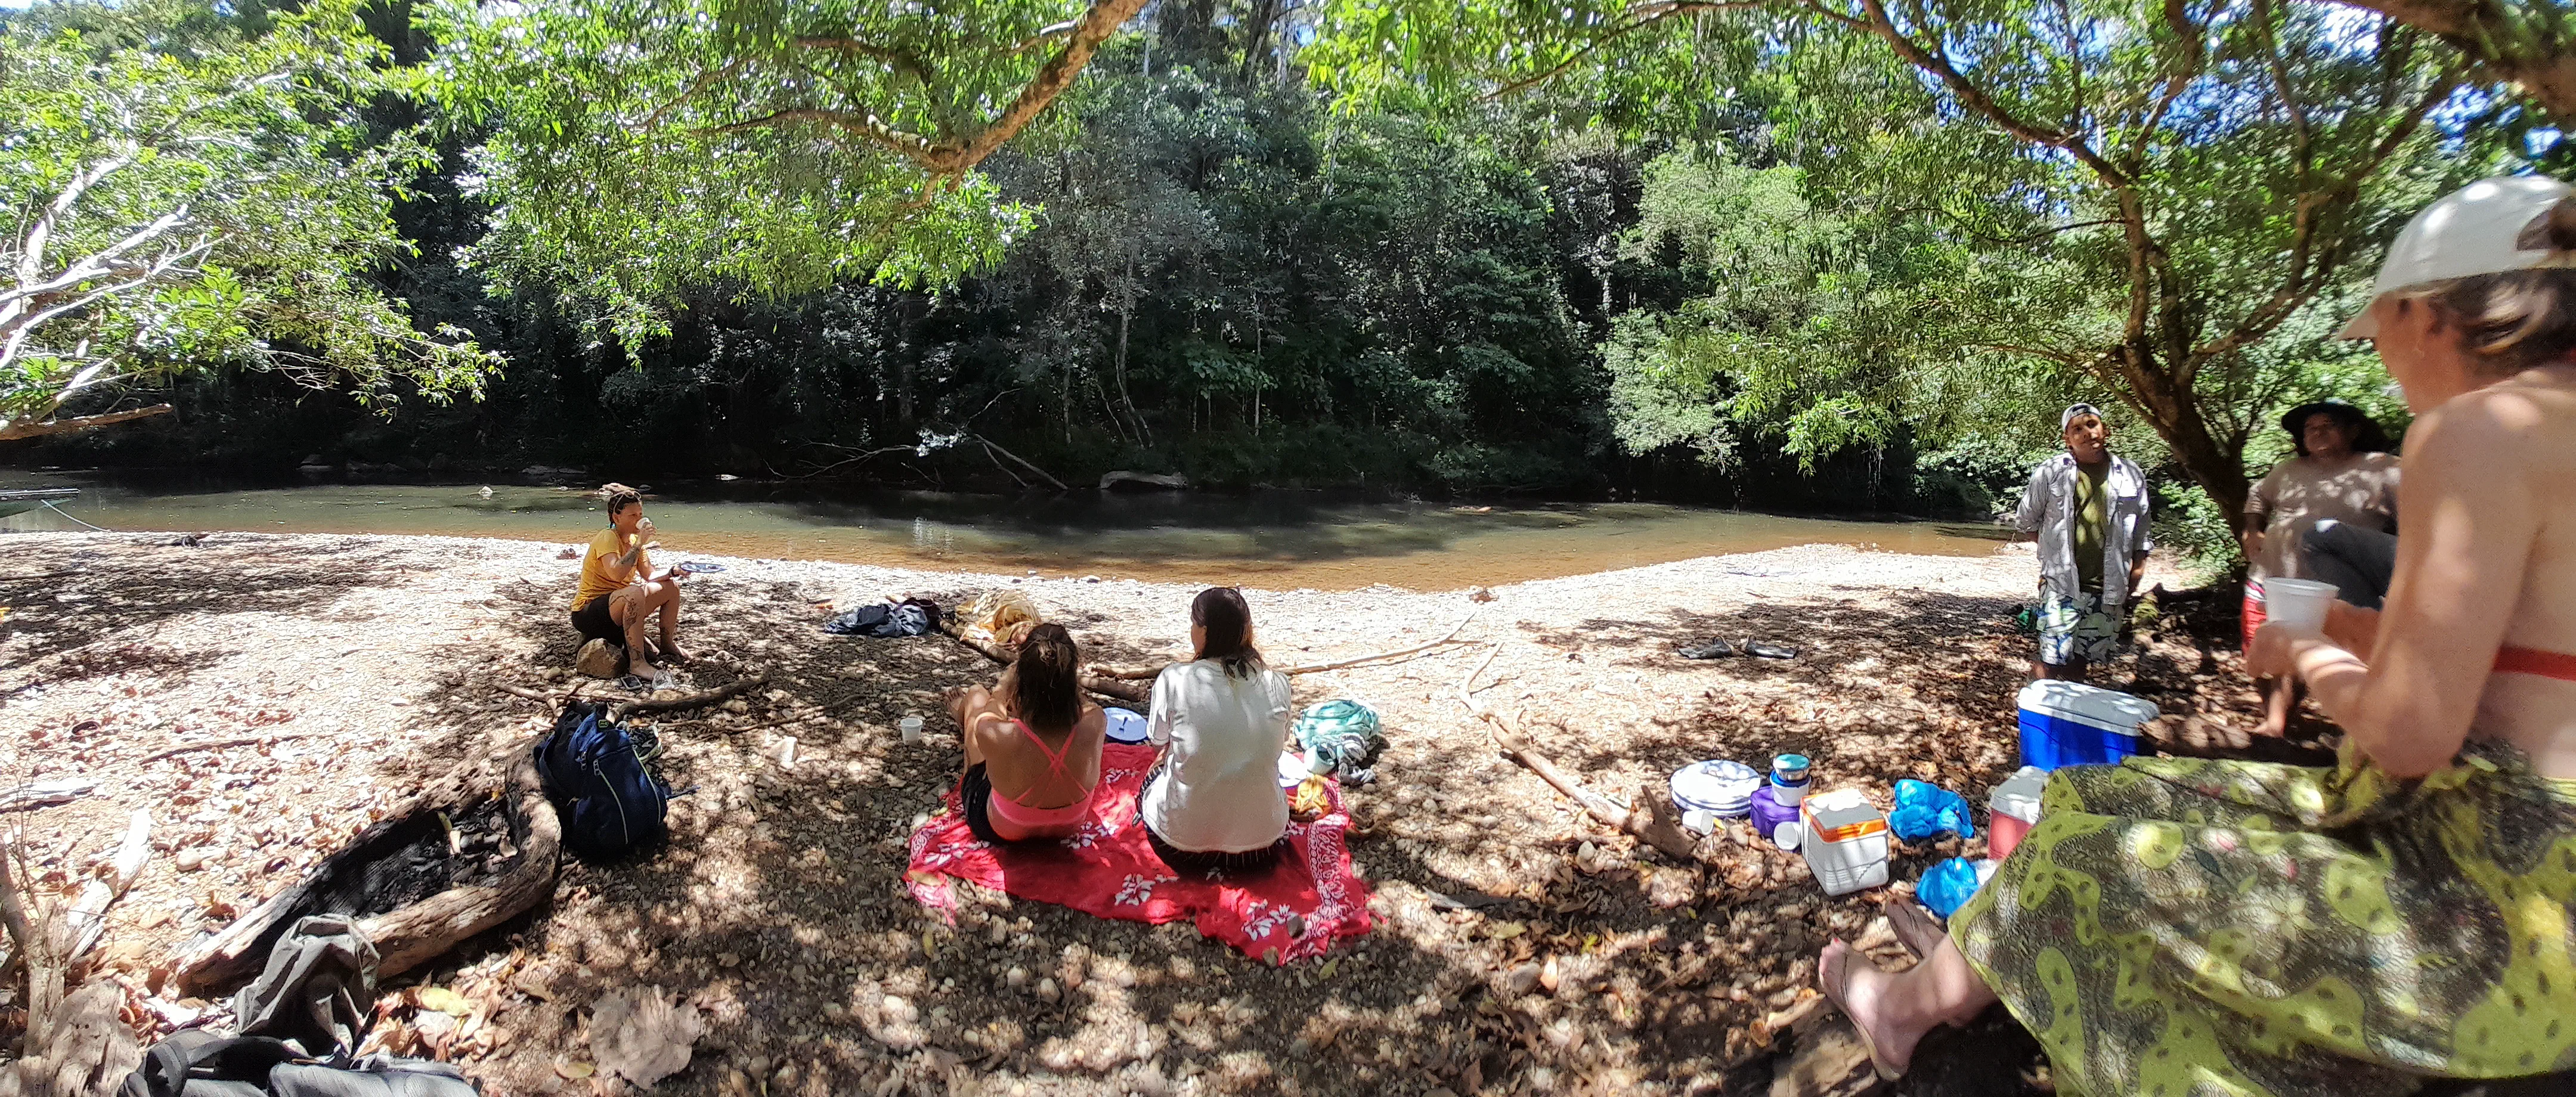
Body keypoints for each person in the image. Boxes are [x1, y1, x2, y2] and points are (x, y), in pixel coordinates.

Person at [1816, 175, 2576, 1096]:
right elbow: (2509, 655)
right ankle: (1971, 971)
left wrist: (2305, 650)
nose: (2378, 356)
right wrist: (2341, 620)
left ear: (2432, 313)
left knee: (2085, 844)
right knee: (2092, 786)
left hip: (2498, 893)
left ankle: (1909, 1012)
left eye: (2380, 326)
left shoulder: (2478, 429)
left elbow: (2413, 734)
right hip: (2512, 868)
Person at [2240, 402, 2401, 736]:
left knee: (2352, 647)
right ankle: (2274, 724)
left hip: (2340, 583)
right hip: (2273, 576)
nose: (2317, 432)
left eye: (2327, 425)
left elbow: (2417, 517)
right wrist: (2252, 529)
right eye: (2310, 428)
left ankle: (2368, 729)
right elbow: (2258, 497)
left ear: (2354, 430)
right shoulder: (2287, 470)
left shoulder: (2383, 468)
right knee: (2270, 647)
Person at [1137, 587, 1296, 875]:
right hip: (1260, 848)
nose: (1191, 630)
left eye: (1193, 624)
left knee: (1152, 775)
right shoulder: (1278, 684)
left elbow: (1156, 739)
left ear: (1205, 631)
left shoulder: (1174, 679)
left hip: (1179, 846)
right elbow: (1278, 743)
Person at [2011, 404, 2154, 682]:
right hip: (2061, 587)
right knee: (2050, 660)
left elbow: (2141, 537)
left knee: (2081, 661)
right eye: (2078, 429)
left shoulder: (2131, 475)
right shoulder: (2051, 472)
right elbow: (2026, 521)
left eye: (2092, 425)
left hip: (2110, 589)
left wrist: (2134, 581)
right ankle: (2033, 719)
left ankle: (2070, 721)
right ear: (2068, 439)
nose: (2087, 433)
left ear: (2105, 430)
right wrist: (2052, 557)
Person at [945, 623, 1108, 844]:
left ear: (1021, 681)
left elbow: (986, 718)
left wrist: (1003, 687)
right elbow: (1079, 704)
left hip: (1002, 829)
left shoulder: (998, 734)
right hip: (1069, 827)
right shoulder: (1097, 721)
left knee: (976, 695)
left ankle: (961, 711)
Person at [569, 484, 691, 681]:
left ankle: (667, 644)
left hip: (620, 607)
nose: (639, 519)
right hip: (589, 612)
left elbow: (650, 575)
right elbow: (616, 573)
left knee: (671, 587)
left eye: (640, 514)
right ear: (616, 518)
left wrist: (674, 571)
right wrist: (639, 544)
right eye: (632, 516)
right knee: (633, 592)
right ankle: (638, 663)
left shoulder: (634, 540)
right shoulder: (607, 537)